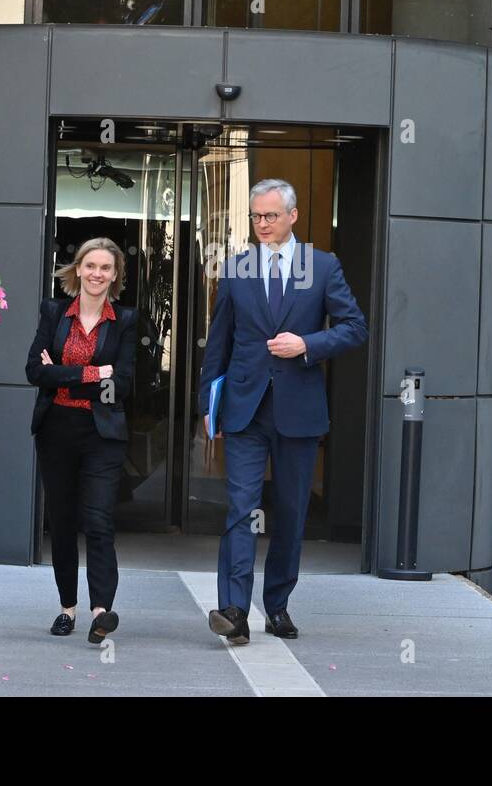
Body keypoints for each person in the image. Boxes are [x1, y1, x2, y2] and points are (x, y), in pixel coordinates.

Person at [197, 178, 367, 644]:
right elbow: (220, 343)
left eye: (270, 215)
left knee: (291, 514)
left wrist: (307, 344)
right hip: (245, 408)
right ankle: (233, 610)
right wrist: (207, 403)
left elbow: (355, 328)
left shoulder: (323, 265)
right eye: (255, 216)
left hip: (299, 411)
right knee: (239, 509)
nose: (262, 224)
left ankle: (277, 606)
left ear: (293, 215)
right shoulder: (237, 269)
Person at [25, 237, 137, 644]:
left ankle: (100, 613)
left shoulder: (124, 320)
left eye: (106, 268)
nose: (97, 274)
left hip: (102, 436)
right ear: (78, 269)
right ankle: (67, 609)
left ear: (115, 275)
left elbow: (121, 385)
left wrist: (65, 374)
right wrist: (93, 373)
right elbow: (34, 372)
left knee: (100, 522)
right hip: (56, 431)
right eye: (90, 265)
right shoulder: (53, 312)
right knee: (64, 521)